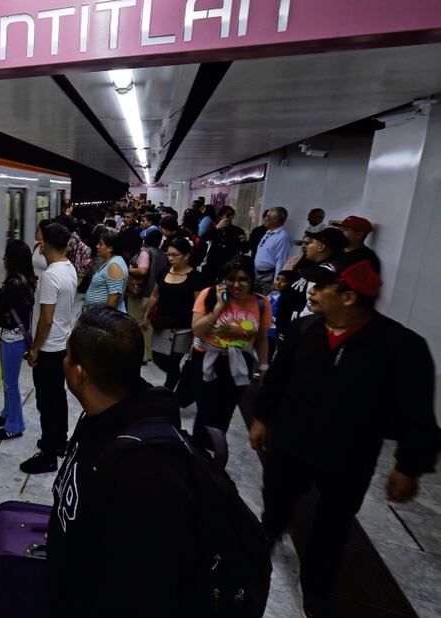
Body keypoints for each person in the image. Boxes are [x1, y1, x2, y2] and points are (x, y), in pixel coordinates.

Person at [250, 260, 439, 617]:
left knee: (333, 524)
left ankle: (317, 588)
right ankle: (262, 547)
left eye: (323, 288)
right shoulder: (305, 329)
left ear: (349, 296)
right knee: (275, 503)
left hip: (349, 453)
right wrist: (261, 418)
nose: (314, 293)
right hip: (292, 443)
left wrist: (409, 466)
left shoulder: (399, 346)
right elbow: (277, 381)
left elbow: (417, 412)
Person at [48, 307, 200, 616]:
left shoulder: (148, 472)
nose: (63, 361)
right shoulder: (100, 416)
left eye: (67, 354)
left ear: (79, 373)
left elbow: (139, 590)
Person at [188, 257, 271, 443]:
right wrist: (218, 307)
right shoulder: (208, 295)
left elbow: (261, 338)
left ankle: (215, 453)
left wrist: (264, 367)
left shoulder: (261, 303)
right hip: (207, 360)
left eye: (242, 279)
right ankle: (198, 453)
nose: (236, 284)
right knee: (206, 413)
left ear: (252, 279)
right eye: (231, 279)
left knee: (225, 413)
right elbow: (197, 330)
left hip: (240, 362)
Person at [21, 222, 77, 474]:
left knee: (46, 402)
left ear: (44, 245)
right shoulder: (69, 268)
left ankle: (48, 454)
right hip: (62, 344)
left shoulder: (50, 276)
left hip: (49, 348)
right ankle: (60, 442)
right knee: (58, 397)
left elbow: (45, 319)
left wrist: (34, 349)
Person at [0, 240, 37, 441]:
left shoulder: (14, 284)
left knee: (10, 382)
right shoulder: (27, 279)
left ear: (12, 260)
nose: (3, 259)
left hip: (12, 339)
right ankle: (8, 413)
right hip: (14, 336)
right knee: (7, 380)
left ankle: (15, 424)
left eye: (6, 256)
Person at [141, 238, 204, 389]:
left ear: (186, 256)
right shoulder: (164, 272)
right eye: (168, 255)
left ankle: (169, 390)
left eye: (174, 255)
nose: (170, 258)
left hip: (183, 328)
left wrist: (198, 329)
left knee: (174, 360)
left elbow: (198, 305)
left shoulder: (196, 277)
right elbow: (155, 295)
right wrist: (146, 315)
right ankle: (177, 377)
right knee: (158, 357)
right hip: (162, 324)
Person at [276, 227, 347, 329]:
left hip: (298, 332)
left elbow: (311, 311)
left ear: (321, 247)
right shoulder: (311, 267)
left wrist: (296, 331)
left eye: (311, 243)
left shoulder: (323, 274)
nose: (307, 247)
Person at [127, 229, 166, 363]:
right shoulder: (162, 254)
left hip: (141, 294)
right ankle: (148, 354)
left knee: (137, 324)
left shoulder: (145, 252)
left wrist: (130, 269)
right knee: (147, 326)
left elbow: (143, 270)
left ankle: (139, 354)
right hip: (154, 294)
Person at [201, 205, 247, 286]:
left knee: (225, 285)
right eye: (227, 215)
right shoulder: (215, 228)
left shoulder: (237, 231)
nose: (229, 217)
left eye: (231, 215)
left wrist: (244, 242)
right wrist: (217, 227)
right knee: (209, 285)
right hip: (213, 262)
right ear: (221, 216)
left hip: (229, 262)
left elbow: (245, 250)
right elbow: (204, 237)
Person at [83, 231, 128, 312]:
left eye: (101, 244)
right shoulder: (112, 262)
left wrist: (104, 320)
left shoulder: (115, 266)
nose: (97, 246)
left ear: (110, 248)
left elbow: (114, 297)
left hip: (103, 318)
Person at [253, 206, 291, 294]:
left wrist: (276, 281)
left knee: (264, 302)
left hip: (268, 276)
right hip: (257, 274)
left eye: (268, 216)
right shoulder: (269, 232)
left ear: (276, 219)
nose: (265, 219)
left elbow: (281, 260)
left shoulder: (282, 237)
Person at [267, 270, 299, 359]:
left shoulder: (286, 297)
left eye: (283, 281)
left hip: (273, 332)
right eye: (277, 279)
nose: (278, 283)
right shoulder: (272, 293)